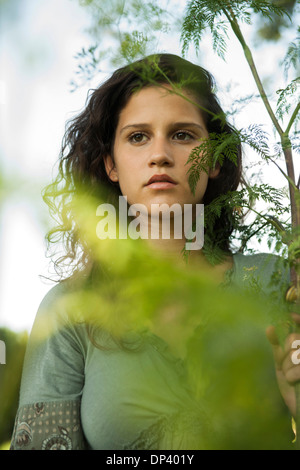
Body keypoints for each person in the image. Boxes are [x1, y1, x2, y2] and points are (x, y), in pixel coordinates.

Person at [10, 54, 300, 450]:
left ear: (214, 159)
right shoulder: (70, 310)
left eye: (183, 135)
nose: (160, 154)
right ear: (111, 165)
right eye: (138, 136)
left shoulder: (278, 282)